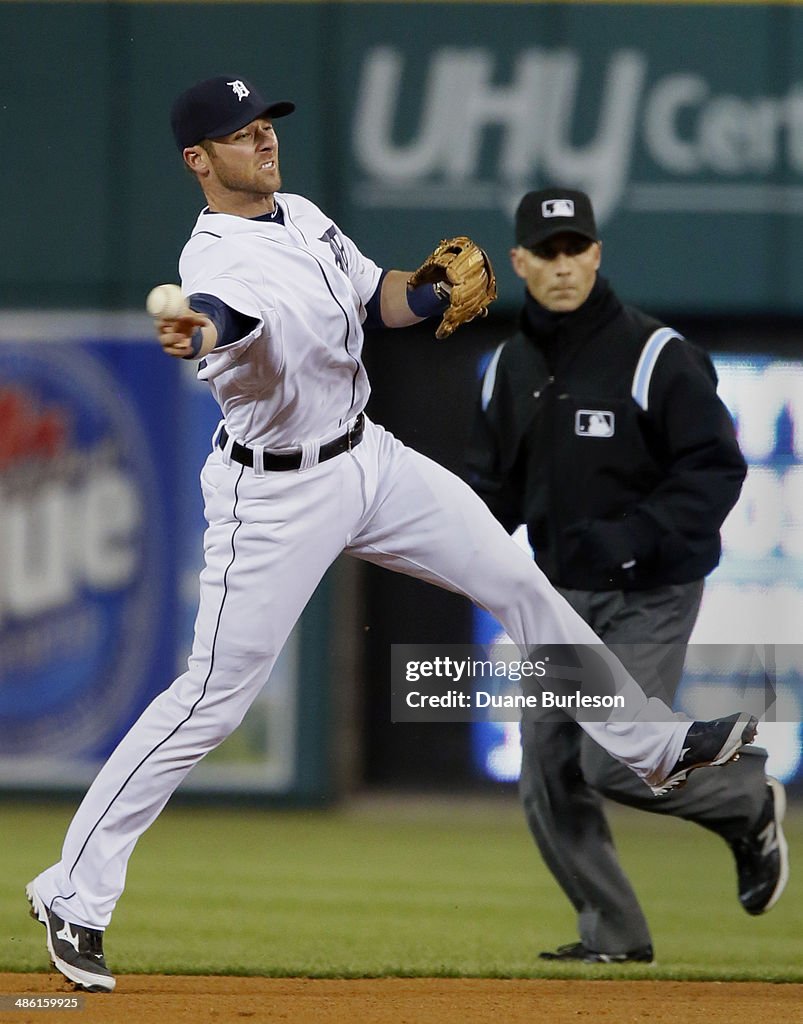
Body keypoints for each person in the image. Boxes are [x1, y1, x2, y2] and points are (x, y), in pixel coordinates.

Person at [26, 81, 758, 994]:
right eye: (237, 134)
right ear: (197, 161)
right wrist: (198, 330)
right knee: (212, 698)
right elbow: (223, 316)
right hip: (275, 495)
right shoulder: (216, 260)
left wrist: (433, 286)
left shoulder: (300, 214)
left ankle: (653, 749)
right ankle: (74, 893)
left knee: (515, 580)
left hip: (367, 459)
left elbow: (380, 300)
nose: (261, 140)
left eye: (264, 126)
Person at [466, 189, 789, 964]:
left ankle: (743, 799)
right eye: (546, 251)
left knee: (610, 758)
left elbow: (714, 469)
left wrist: (634, 538)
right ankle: (612, 935)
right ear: (519, 262)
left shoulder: (653, 353)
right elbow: (490, 492)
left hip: (649, 589)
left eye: (575, 248)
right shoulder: (505, 368)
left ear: (597, 254)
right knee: (547, 774)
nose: (562, 264)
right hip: (557, 599)